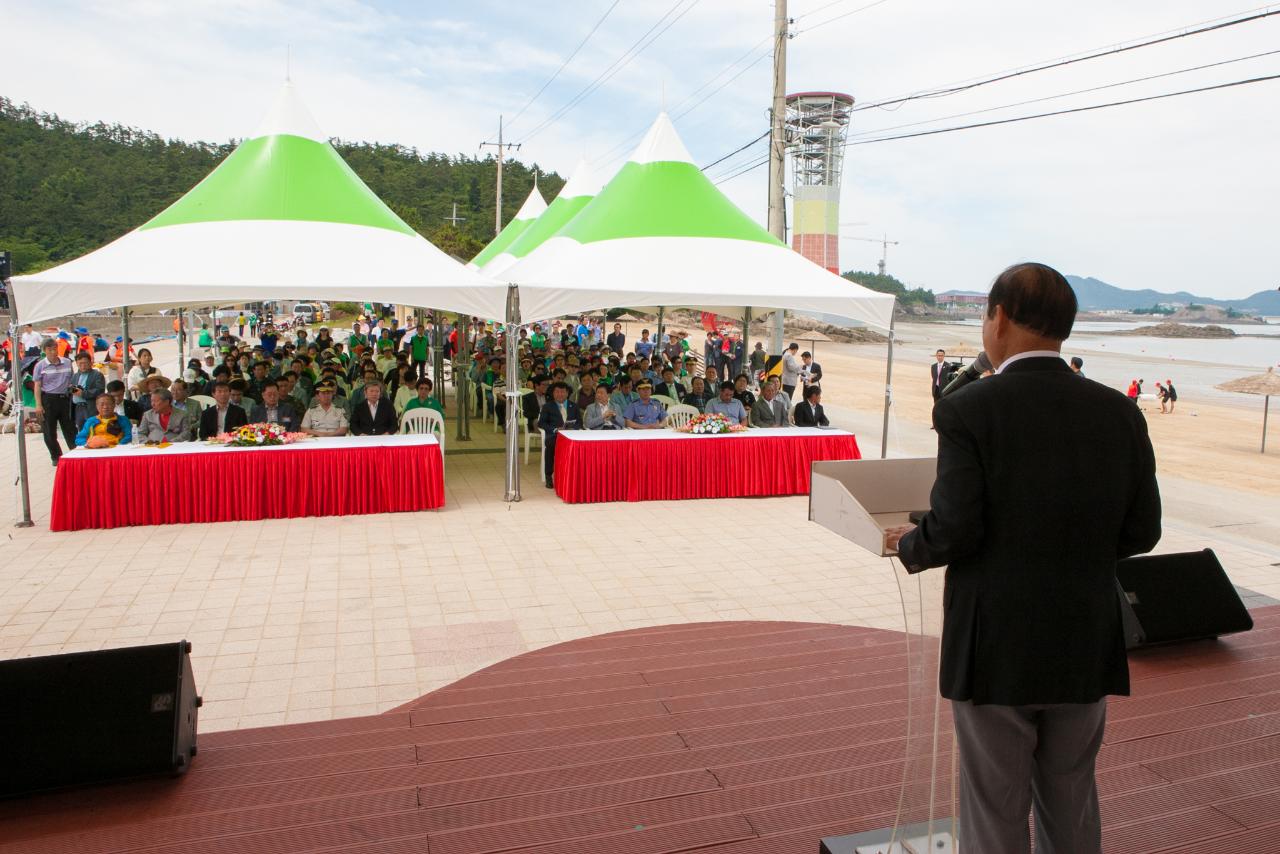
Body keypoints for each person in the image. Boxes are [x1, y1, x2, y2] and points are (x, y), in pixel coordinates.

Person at [884, 262, 1162, 854]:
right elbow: (1143, 532)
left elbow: (955, 526)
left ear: (1000, 317)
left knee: (993, 810)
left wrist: (908, 544)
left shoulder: (968, 410)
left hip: (996, 646)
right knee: (1073, 800)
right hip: (1085, 636)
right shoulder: (1120, 412)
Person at [32, 338, 77, 465]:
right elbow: (37, 386)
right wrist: (38, 404)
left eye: (55, 348)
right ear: (44, 351)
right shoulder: (40, 365)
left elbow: (71, 381)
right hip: (49, 400)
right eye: (49, 349)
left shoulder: (67, 362)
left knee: (70, 428)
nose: (53, 352)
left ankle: (75, 452)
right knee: (49, 430)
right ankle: (56, 456)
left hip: (65, 399)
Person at [537, 381, 580, 488]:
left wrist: (572, 429)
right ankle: (548, 476)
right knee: (550, 446)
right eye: (557, 392)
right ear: (553, 393)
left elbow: (579, 422)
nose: (560, 394)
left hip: (571, 436)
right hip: (554, 436)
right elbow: (541, 423)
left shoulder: (573, 406)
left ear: (567, 393)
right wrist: (555, 429)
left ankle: (575, 475)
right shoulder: (547, 406)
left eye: (562, 392)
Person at [69, 351, 105, 430]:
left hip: (90, 406)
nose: (83, 366)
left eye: (85, 363)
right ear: (77, 364)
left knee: (93, 428)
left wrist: (83, 393)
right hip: (78, 407)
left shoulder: (97, 375)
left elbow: (100, 390)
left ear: (90, 362)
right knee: (81, 431)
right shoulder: (75, 376)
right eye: (80, 363)